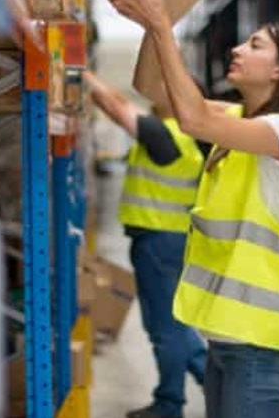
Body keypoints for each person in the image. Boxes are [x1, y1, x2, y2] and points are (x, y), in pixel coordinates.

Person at [98, 0, 279, 418]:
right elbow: (155, 88)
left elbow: (193, 120)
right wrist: (152, 26)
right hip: (227, 337)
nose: (237, 49)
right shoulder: (241, 119)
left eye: (255, 45)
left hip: (259, 345)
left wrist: (164, 24)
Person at [83, 70, 209, 418]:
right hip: (164, 239)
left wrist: (79, 68)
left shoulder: (169, 136)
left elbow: (115, 105)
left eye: (167, 89)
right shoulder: (180, 137)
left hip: (159, 241)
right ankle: (194, 394)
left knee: (166, 329)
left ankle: (178, 401)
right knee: (168, 326)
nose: (157, 93)